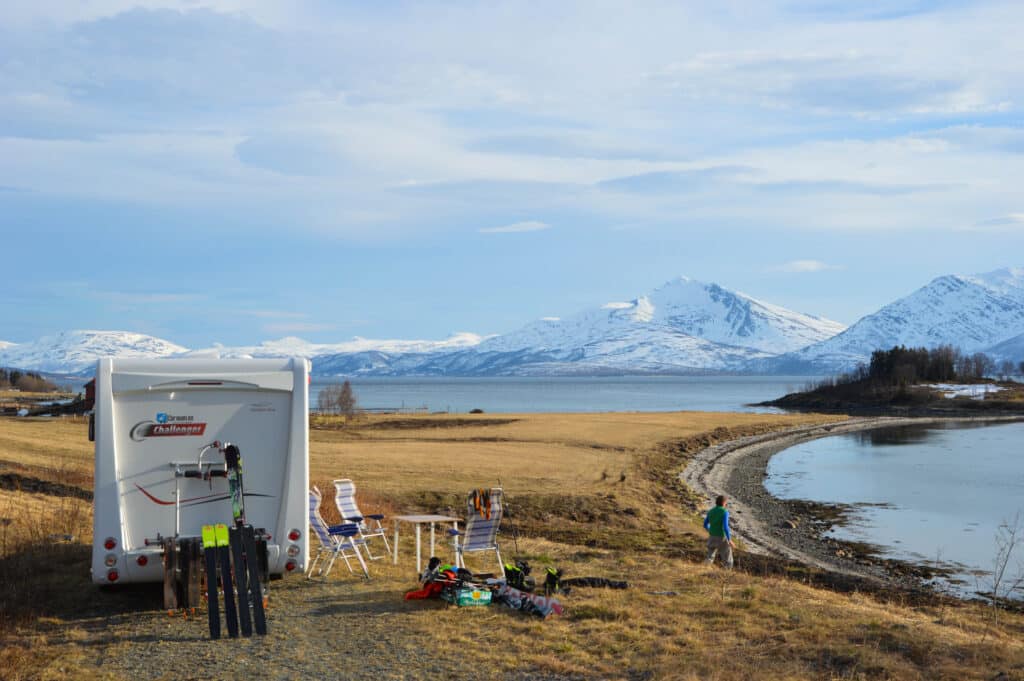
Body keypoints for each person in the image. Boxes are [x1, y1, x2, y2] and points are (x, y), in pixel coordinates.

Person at [703, 494, 734, 568]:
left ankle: (704, 569)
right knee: (727, 559)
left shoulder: (711, 511)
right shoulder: (724, 512)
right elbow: (725, 527)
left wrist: (710, 530)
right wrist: (729, 540)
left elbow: (705, 524)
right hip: (721, 537)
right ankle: (727, 575)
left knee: (710, 556)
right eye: (726, 502)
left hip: (712, 536)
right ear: (724, 503)